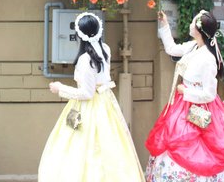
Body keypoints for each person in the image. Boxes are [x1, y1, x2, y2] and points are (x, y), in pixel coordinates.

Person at [145, 10, 224, 181]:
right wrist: (165, 24)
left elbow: (209, 94)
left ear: (199, 30)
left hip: (200, 107)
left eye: (192, 22)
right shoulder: (193, 46)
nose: (189, 25)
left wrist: (185, 92)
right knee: (177, 143)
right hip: (184, 105)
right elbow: (172, 49)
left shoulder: (208, 59)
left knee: (204, 149)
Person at [38, 12, 145, 182]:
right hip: (106, 103)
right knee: (109, 145)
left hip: (89, 106)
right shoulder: (106, 50)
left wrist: (60, 89)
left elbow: (86, 94)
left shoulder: (85, 59)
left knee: (80, 147)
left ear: (80, 35)